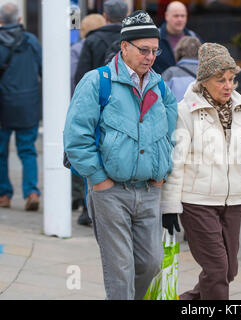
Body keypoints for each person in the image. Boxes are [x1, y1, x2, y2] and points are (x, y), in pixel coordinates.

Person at [64, 10, 178, 300]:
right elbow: (76, 137)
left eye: (155, 50)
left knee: (151, 263)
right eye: (144, 50)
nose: (151, 56)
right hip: (110, 192)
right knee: (120, 270)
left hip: (149, 191)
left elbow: (171, 134)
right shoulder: (96, 82)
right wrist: (98, 180)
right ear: (125, 47)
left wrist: (161, 175)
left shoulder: (160, 86)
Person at [160, 43, 241, 300]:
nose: (228, 86)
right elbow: (176, 161)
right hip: (197, 201)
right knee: (216, 269)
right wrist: (170, 208)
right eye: (221, 80)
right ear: (204, 81)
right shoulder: (186, 111)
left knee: (228, 271)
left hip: (233, 200)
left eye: (231, 79)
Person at [0, 3, 42, 211]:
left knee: (1, 152)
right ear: (18, 20)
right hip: (28, 105)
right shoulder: (31, 41)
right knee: (27, 151)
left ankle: (4, 195)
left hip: (3, 106)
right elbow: (43, 69)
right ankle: (32, 192)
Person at [70, 13, 106, 226]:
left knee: (83, 154)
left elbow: (75, 78)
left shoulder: (79, 48)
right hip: (108, 108)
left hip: (86, 107)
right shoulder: (118, 43)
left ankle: (85, 204)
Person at [74, 0, 128, 85]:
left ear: (105, 16)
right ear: (126, 16)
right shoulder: (133, 39)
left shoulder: (92, 40)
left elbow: (81, 77)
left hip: (98, 94)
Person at [152, 1, 201, 74]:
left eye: (183, 16)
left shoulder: (193, 37)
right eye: (176, 16)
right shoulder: (155, 38)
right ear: (166, 16)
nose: (180, 19)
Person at [162, 35, 201, 102]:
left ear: (178, 52)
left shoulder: (170, 73)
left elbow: (159, 99)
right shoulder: (208, 73)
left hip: (177, 112)